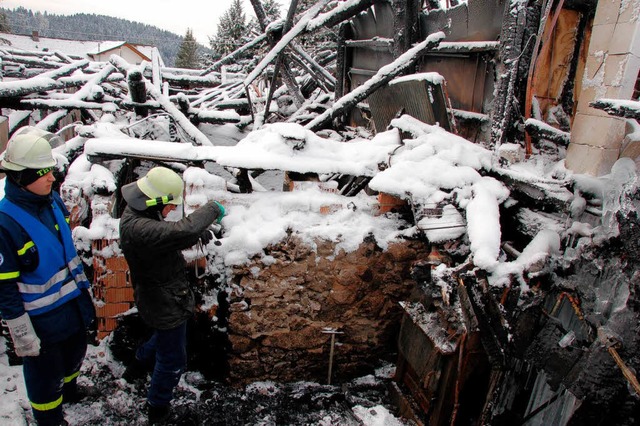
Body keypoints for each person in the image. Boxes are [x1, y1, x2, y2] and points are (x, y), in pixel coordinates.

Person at [0, 126, 97, 426]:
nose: (52, 178)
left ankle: (69, 389)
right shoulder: (6, 223)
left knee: (73, 356)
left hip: (71, 307)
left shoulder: (52, 200)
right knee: (44, 375)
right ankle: (49, 418)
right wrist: (20, 331)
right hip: (40, 319)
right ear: (21, 177)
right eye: (43, 173)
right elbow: (4, 289)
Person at [118, 166, 224, 424]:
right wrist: (212, 209)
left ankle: (135, 369)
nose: (171, 211)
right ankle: (158, 408)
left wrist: (199, 233)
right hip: (163, 301)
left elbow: (166, 238)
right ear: (156, 200)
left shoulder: (140, 214)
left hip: (162, 296)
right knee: (172, 357)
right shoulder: (138, 227)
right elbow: (178, 232)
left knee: (164, 338)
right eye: (170, 205)